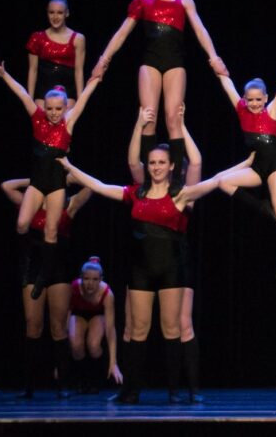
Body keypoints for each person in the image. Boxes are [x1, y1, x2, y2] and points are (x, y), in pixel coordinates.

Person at [58, 139, 222, 404]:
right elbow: (99, 186)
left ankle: (174, 391)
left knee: (171, 329)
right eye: (153, 163)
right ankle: (131, 391)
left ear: (171, 166)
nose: (156, 167)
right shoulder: (135, 193)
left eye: (161, 163)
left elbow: (215, 180)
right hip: (140, 271)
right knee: (137, 330)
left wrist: (247, 164)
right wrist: (69, 166)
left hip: (171, 271)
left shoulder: (180, 195)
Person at [91, 0, 228, 192]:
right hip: (151, 63)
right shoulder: (142, 1)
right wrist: (104, 60)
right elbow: (122, 33)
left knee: (174, 118)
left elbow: (200, 30)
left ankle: (176, 181)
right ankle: (148, 178)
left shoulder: (184, 0)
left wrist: (214, 58)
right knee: (148, 118)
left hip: (175, 62)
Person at [0, 58, 100, 300]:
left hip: (56, 185)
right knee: (22, 224)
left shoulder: (68, 123)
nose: (54, 113)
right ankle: (26, 264)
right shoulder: (37, 119)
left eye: (58, 109)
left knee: (51, 231)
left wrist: (95, 79)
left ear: (64, 108)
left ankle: (43, 276)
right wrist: (4, 75)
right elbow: (23, 94)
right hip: (38, 183)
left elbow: (83, 100)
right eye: (50, 109)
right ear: (45, 107)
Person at [215, 44, 276, 279]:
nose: (255, 103)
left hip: (275, 167)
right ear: (245, 99)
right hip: (257, 168)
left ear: (266, 98)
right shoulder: (241, 110)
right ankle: (261, 207)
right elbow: (227, 84)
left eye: (259, 99)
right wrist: (215, 62)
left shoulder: (271, 112)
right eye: (250, 100)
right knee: (223, 183)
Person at [1, 178, 91, 397]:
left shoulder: (68, 204)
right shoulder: (28, 204)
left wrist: (68, 177)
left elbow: (90, 187)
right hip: (32, 269)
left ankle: (63, 385)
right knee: (33, 325)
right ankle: (30, 386)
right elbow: (6, 186)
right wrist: (36, 179)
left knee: (58, 327)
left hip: (59, 270)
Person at [68, 257, 122, 393]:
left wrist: (113, 362)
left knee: (93, 345)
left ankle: (95, 379)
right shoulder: (74, 288)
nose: (90, 284)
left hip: (97, 315)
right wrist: (60, 363)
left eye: (95, 279)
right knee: (76, 345)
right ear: (81, 277)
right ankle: (82, 379)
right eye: (86, 279)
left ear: (101, 279)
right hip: (79, 314)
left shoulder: (107, 293)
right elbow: (64, 320)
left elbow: (110, 330)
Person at [26, 0, 86, 109]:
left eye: (59, 13)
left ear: (67, 13)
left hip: (67, 94)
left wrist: (80, 102)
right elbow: (33, 70)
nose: (55, 17)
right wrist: (29, 100)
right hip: (42, 94)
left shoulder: (78, 39)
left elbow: (79, 71)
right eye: (51, 12)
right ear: (47, 13)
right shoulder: (37, 38)